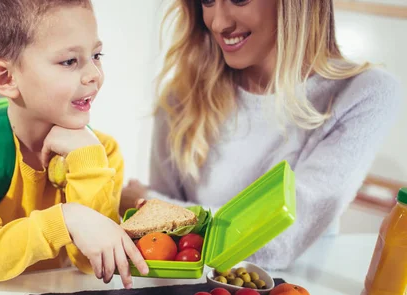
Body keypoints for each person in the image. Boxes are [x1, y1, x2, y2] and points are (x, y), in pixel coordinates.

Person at [121, 0, 402, 270]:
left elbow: (282, 239)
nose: (218, 22)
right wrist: (155, 211)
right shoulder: (181, 97)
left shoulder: (365, 93)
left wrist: (146, 203)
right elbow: (164, 241)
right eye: (207, 0)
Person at [0, 0, 148, 288]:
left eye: (96, 54)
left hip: (41, 293)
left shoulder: (101, 152)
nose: (94, 74)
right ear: (7, 78)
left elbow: (90, 263)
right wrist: (66, 219)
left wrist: (87, 161)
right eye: (69, 61)